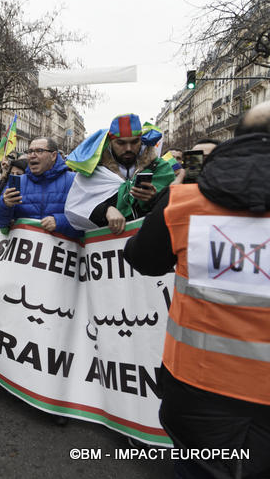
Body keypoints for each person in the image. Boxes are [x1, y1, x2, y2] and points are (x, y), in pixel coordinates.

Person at [123, 102, 270, 479]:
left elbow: (141, 257)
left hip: (198, 387)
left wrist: (175, 192)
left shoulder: (187, 202)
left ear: (235, 139)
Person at [65, 113, 175, 234]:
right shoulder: (93, 171)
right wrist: (105, 210)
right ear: (110, 142)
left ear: (141, 140)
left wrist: (154, 199)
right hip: (107, 242)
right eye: (121, 143)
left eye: (134, 142)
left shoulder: (159, 168)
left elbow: (175, 207)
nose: (128, 148)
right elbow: (75, 208)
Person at [0, 137, 83, 238]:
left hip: (63, 247)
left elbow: (86, 222)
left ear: (53, 156)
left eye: (39, 151)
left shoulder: (74, 181)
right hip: (24, 246)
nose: (32, 155)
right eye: (30, 151)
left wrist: (60, 222)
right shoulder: (18, 182)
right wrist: (4, 204)